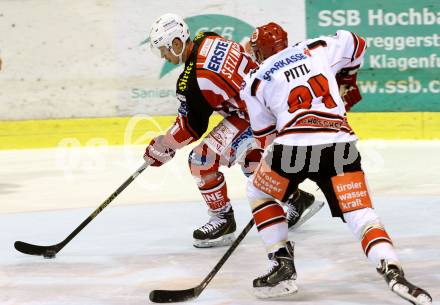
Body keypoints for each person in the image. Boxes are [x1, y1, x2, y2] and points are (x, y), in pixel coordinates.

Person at [240, 24, 432, 305]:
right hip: (340, 146)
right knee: (362, 215)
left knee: (258, 192)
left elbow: (264, 137)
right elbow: (358, 43)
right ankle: (392, 269)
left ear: (259, 52)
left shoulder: (256, 80)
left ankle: (281, 265)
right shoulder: (316, 47)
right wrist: (348, 80)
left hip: (292, 149)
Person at [145, 14, 322, 248]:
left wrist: (163, 145)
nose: (163, 56)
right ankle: (296, 200)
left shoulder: (195, 80)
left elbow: (191, 127)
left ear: (177, 43)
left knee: (201, 160)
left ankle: (223, 218)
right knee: (251, 162)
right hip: (272, 106)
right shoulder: (207, 37)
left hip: (256, 117)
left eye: (163, 50)